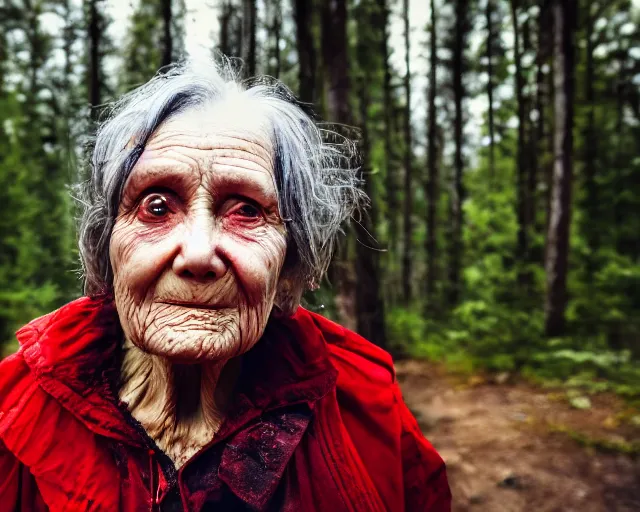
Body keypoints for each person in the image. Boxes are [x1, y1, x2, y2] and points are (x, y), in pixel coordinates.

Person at [0, 58, 450, 511]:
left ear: (292, 259)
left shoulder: (366, 409)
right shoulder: (14, 412)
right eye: (156, 207)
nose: (198, 254)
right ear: (108, 245)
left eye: (247, 211)